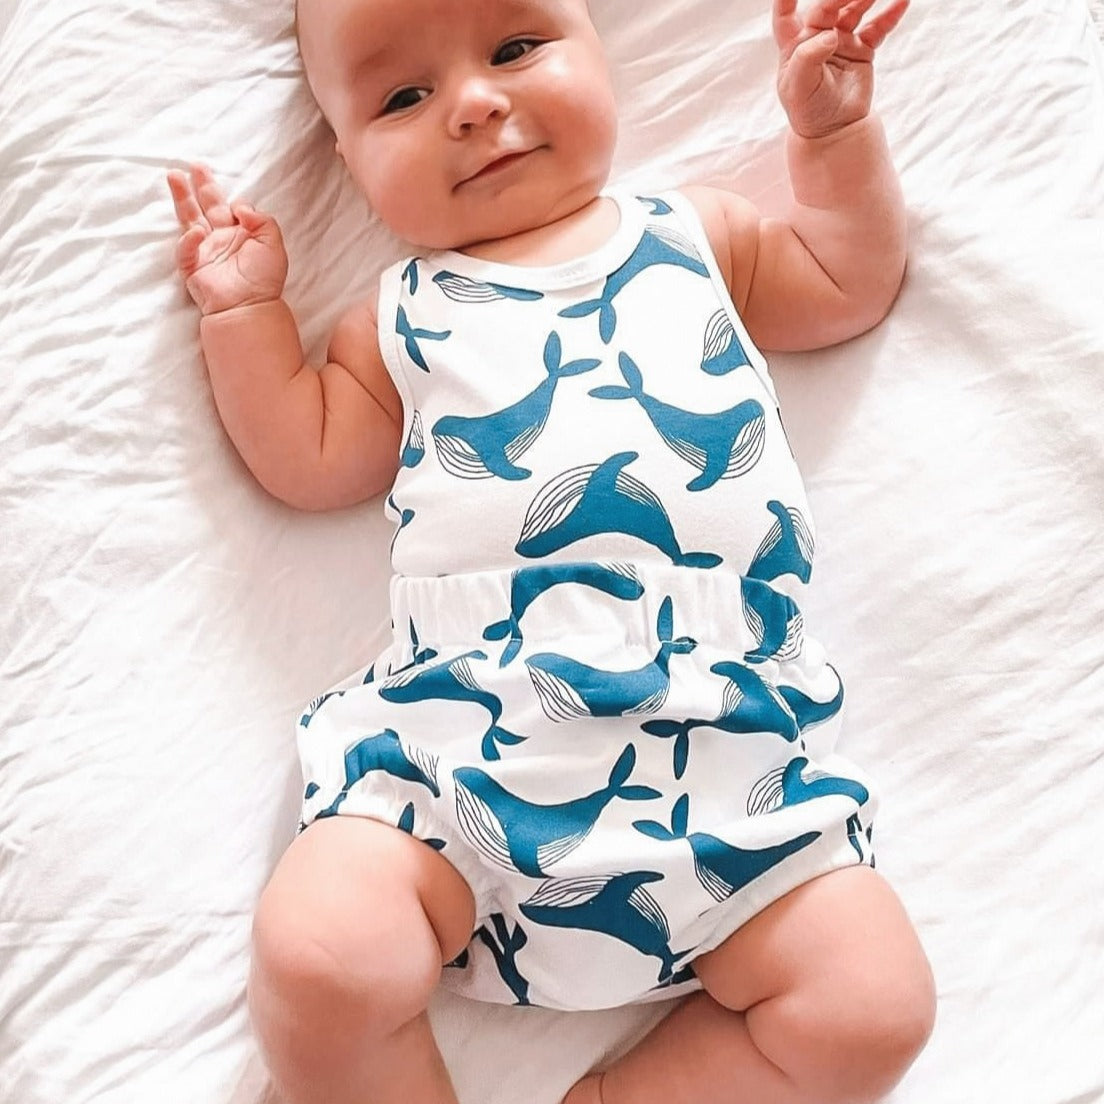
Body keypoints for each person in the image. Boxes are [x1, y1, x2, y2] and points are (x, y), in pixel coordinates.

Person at [167, 0, 936, 1100]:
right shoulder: (397, 317)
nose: (475, 104)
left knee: (873, 1007)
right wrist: (245, 317)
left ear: (597, 54)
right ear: (344, 158)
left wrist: (832, 138)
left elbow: (846, 279)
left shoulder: (696, 236)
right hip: (469, 743)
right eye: (403, 97)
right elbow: (308, 457)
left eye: (516, 48)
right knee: (320, 956)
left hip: (726, 754)